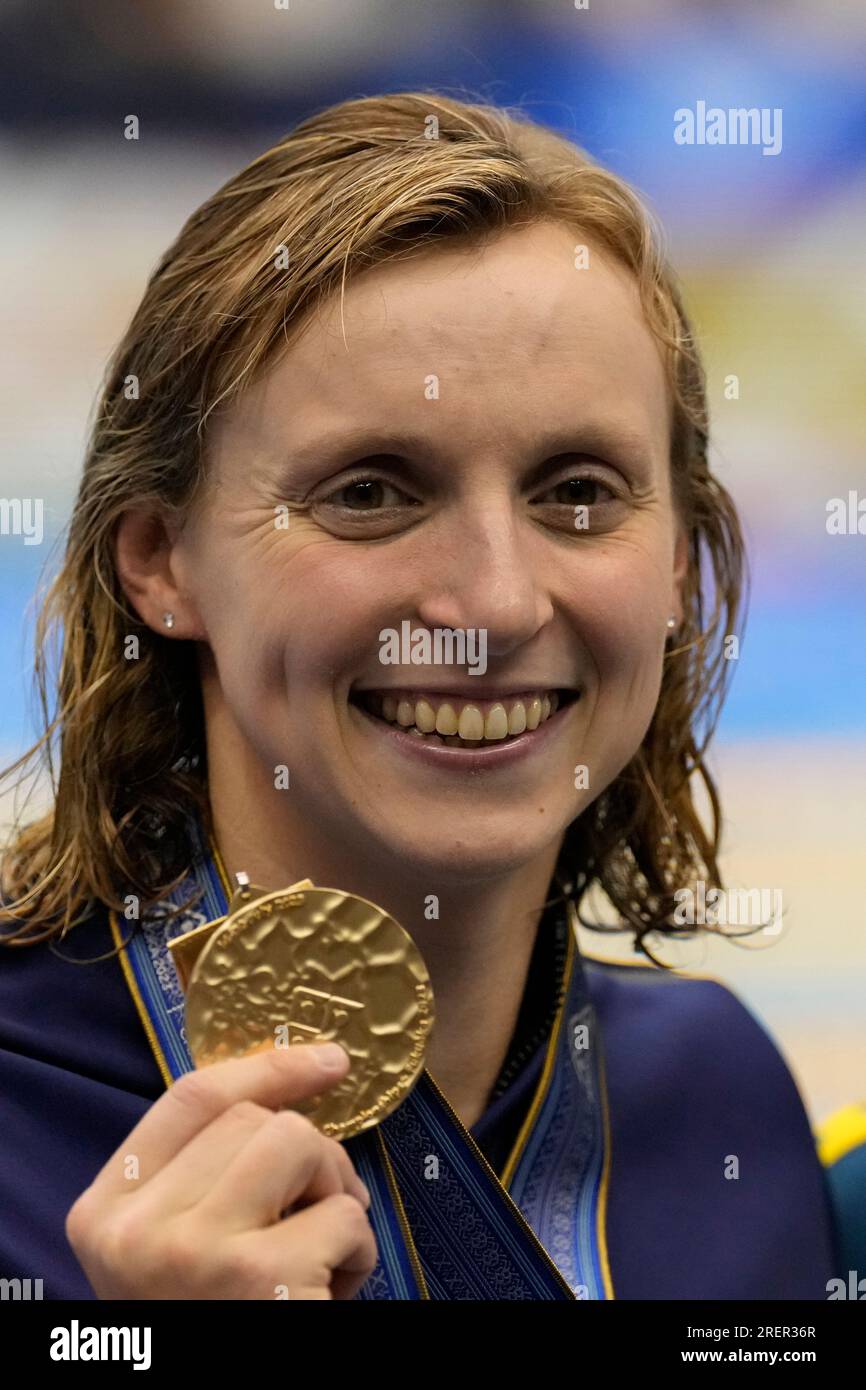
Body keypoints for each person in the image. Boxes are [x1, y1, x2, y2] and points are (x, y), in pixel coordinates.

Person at [0, 91, 838, 1300]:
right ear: (160, 559)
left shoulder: (720, 1107)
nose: (493, 605)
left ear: (675, 563)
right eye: (370, 492)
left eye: (579, 491)